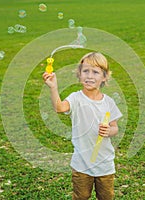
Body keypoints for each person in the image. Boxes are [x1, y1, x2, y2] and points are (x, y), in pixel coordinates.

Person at [42, 52, 122, 200]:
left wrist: (109, 131)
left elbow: (115, 127)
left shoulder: (109, 102)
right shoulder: (76, 98)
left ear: (104, 77)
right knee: (81, 196)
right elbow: (59, 107)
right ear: (79, 74)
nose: (89, 76)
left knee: (106, 197)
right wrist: (53, 87)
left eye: (95, 72)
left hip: (104, 163)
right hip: (81, 164)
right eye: (85, 71)